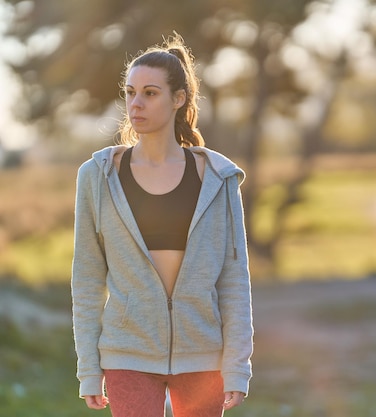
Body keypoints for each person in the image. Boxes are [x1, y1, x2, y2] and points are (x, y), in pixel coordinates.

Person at [71, 33, 253, 417]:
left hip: (202, 354)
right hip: (127, 352)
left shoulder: (218, 178)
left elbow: (234, 280)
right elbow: (87, 279)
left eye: (150, 93)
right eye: (130, 92)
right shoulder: (97, 177)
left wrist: (237, 366)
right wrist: (89, 368)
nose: (136, 103)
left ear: (179, 99)